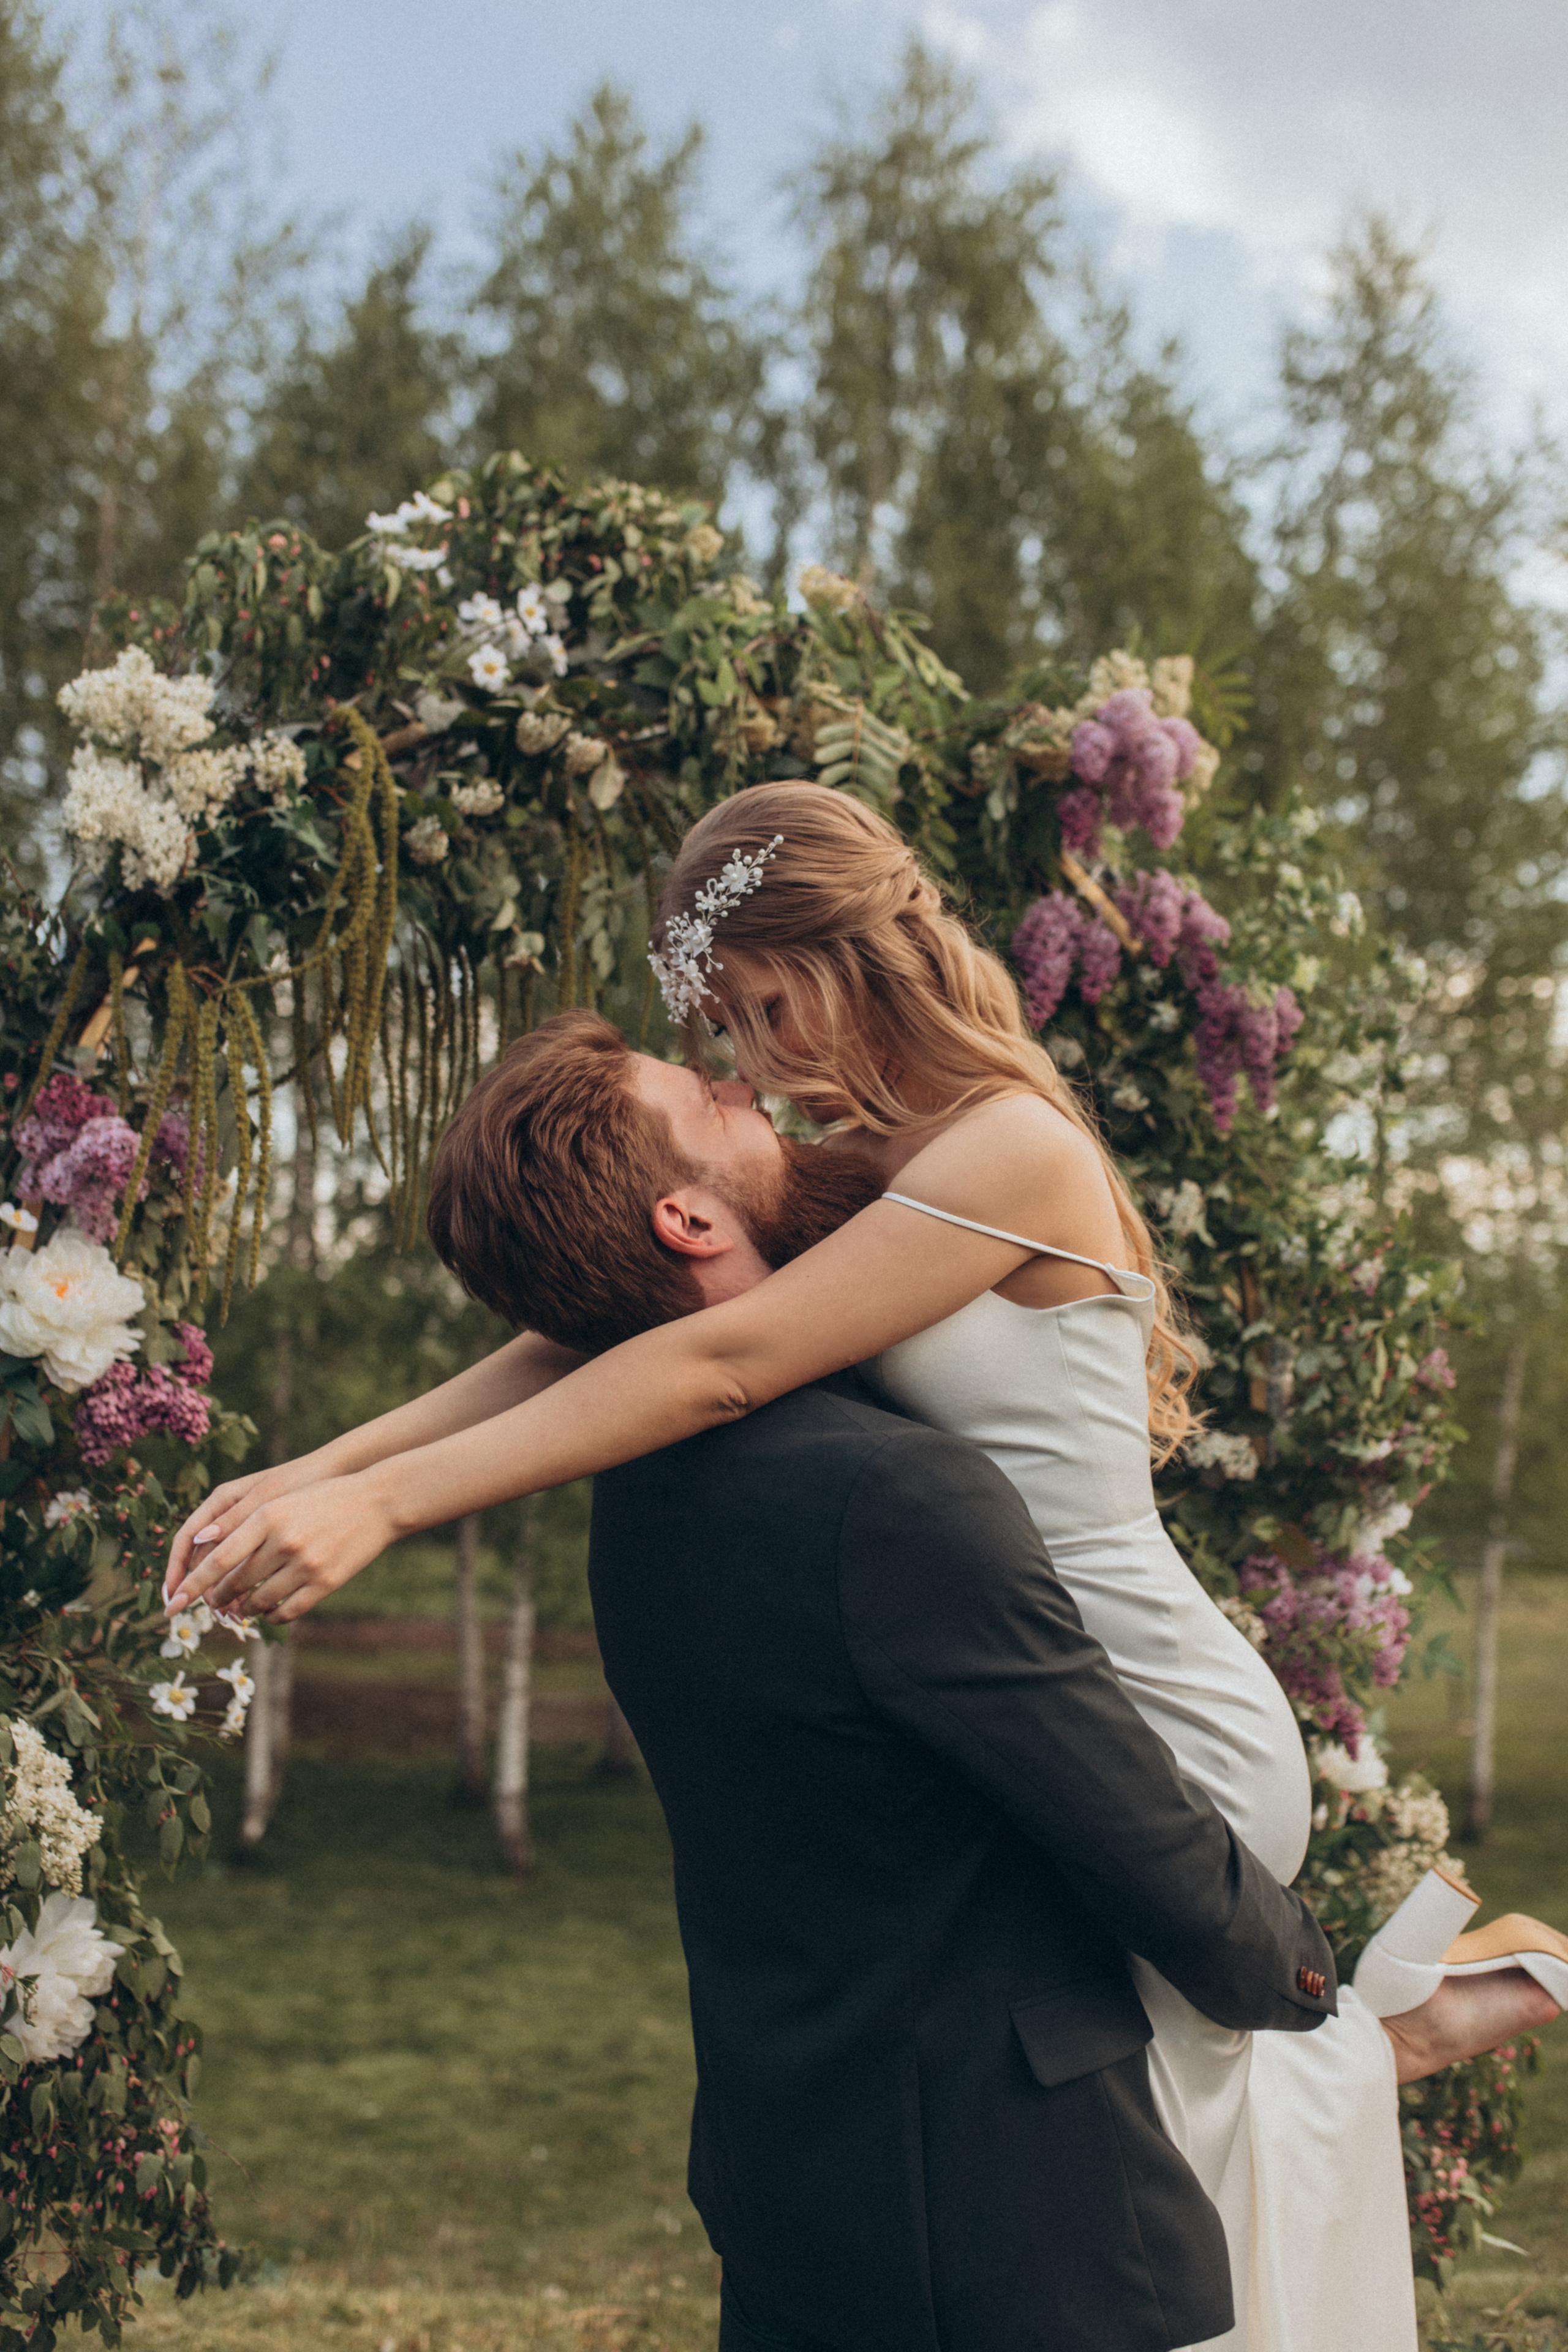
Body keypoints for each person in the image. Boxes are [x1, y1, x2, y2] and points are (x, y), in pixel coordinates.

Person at [167, 786, 1563, 2351]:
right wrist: (318, 1470)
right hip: (1030, 1673)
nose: (748, 1059)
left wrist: (395, 1513)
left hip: (1140, 1693)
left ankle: (1370, 2031)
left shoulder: (1009, 1151)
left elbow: (722, 1361)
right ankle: (1376, 2030)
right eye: (722, 1026)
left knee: (1106, 2091)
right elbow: (600, 1327)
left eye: (760, 1011)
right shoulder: (862, 1160)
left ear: (841, 961)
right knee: (1095, 2098)